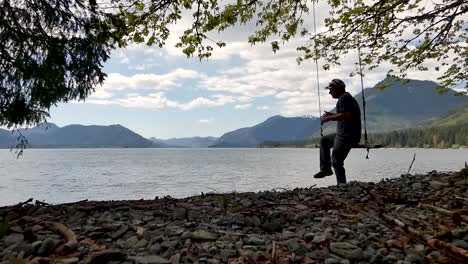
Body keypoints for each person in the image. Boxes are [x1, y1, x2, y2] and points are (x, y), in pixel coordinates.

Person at [313, 79, 361, 184]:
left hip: (347, 136)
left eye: (331, 90)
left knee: (336, 160)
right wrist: (332, 115)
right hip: (343, 134)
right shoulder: (344, 98)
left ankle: (342, 185)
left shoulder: (345, 98)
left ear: (338, 89)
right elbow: (345, 114)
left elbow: (346, 115)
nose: (330, 92)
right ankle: (326, 169)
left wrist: (328, 118)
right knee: (324, 140)